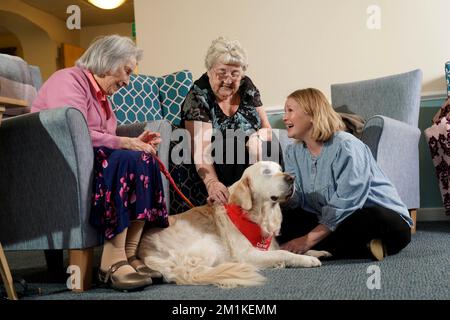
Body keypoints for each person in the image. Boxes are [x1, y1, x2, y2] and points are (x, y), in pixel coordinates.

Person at [31, 35, 167, 291]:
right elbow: (74, 133)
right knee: (127, 156)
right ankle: (111, 261)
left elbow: (104, 140)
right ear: (108, 60)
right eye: (126, 71)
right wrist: (125, 144)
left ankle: (129, 253)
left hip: (89, 164)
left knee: (145, 158)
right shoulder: (68, 80)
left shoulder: (102, 98)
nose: (128, 81)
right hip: (56, 166)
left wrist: (135, 142)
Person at [278, 88, 413, 261]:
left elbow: (348, 201)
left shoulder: (347, 145)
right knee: (282, 219)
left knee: (365, 218)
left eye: (290, 110)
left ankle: (321, 246)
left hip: (373, 216)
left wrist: (307, 240)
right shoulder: (293, 152)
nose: (284, 117)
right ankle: (361, 248)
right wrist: (282, 196)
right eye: (284, 111)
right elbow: (299, 201)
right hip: (328, 220)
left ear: (312, 114)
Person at [181, 36, 276, 205]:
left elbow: (267, 128)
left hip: (254, 159)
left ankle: (270, 205)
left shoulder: (247, 87)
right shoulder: (198, 97)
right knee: (233, 146)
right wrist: (212, 184)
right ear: (209, 70)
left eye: (235, 73)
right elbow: (201, 153)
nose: (228, 80)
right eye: (222, 72)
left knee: (272, 143)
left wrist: (258, 138)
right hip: (216, 170)